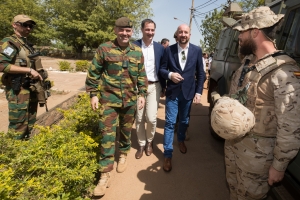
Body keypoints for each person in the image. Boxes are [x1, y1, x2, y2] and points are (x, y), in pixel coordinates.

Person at [222, 7, 300, 199]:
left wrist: (279, 165)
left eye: (242, 31)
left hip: (257, 159)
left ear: (255, 31)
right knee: (234, 192)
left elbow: (290, 127)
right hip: (234, 148)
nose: (239, 36)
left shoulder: (284, 73)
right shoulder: (247, 65)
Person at [86, 17, 148, 196]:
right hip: (108, 100)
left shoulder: (137, 52)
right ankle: (104, 175)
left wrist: (142, 94)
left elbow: (142, 76)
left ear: (132, 32)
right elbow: (94, 72)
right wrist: (93, 94)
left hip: (129, 101)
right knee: (107, 135)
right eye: (121, 30)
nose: (124, 33)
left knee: (126, 131)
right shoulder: (104, 48)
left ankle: (123, 154)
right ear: (115, 30)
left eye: (128, 30)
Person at [159, 24, 206, 172]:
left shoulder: (197, 50)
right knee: (170, 122)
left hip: (188, 93)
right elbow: (161, 69)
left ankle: (180, 140)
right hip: (173, 92)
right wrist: (170, 75)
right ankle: (167, 154)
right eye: (181, 32)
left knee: (184, 120)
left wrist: (199, 92)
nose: (183, 34)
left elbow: (201, 73)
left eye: (186, 32)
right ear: (177, 34)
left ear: (189, 35)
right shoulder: (169, 50)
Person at [0, 14, 42, 139]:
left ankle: (24, 154)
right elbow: (2, 65)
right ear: (14, 25)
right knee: (18, 126)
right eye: (25, 25)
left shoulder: (27, 45)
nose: (28, 28)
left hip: (31, 89)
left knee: (30, 123)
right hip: (18, 90)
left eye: (30, 26)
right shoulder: (10, 43)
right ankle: (11, 155)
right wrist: (28, 70)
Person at [133, 19, 165, 159]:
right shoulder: (134, 46)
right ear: (142, 30)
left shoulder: (159, 48)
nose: (150, 32)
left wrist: (164, 86)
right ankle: (141, 143)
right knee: (139, 118)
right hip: (138, 87)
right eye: (147, 29)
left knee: (151, 118)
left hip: (154, 86)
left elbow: (163, 68)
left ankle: (150, 142)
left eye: (152, 30)